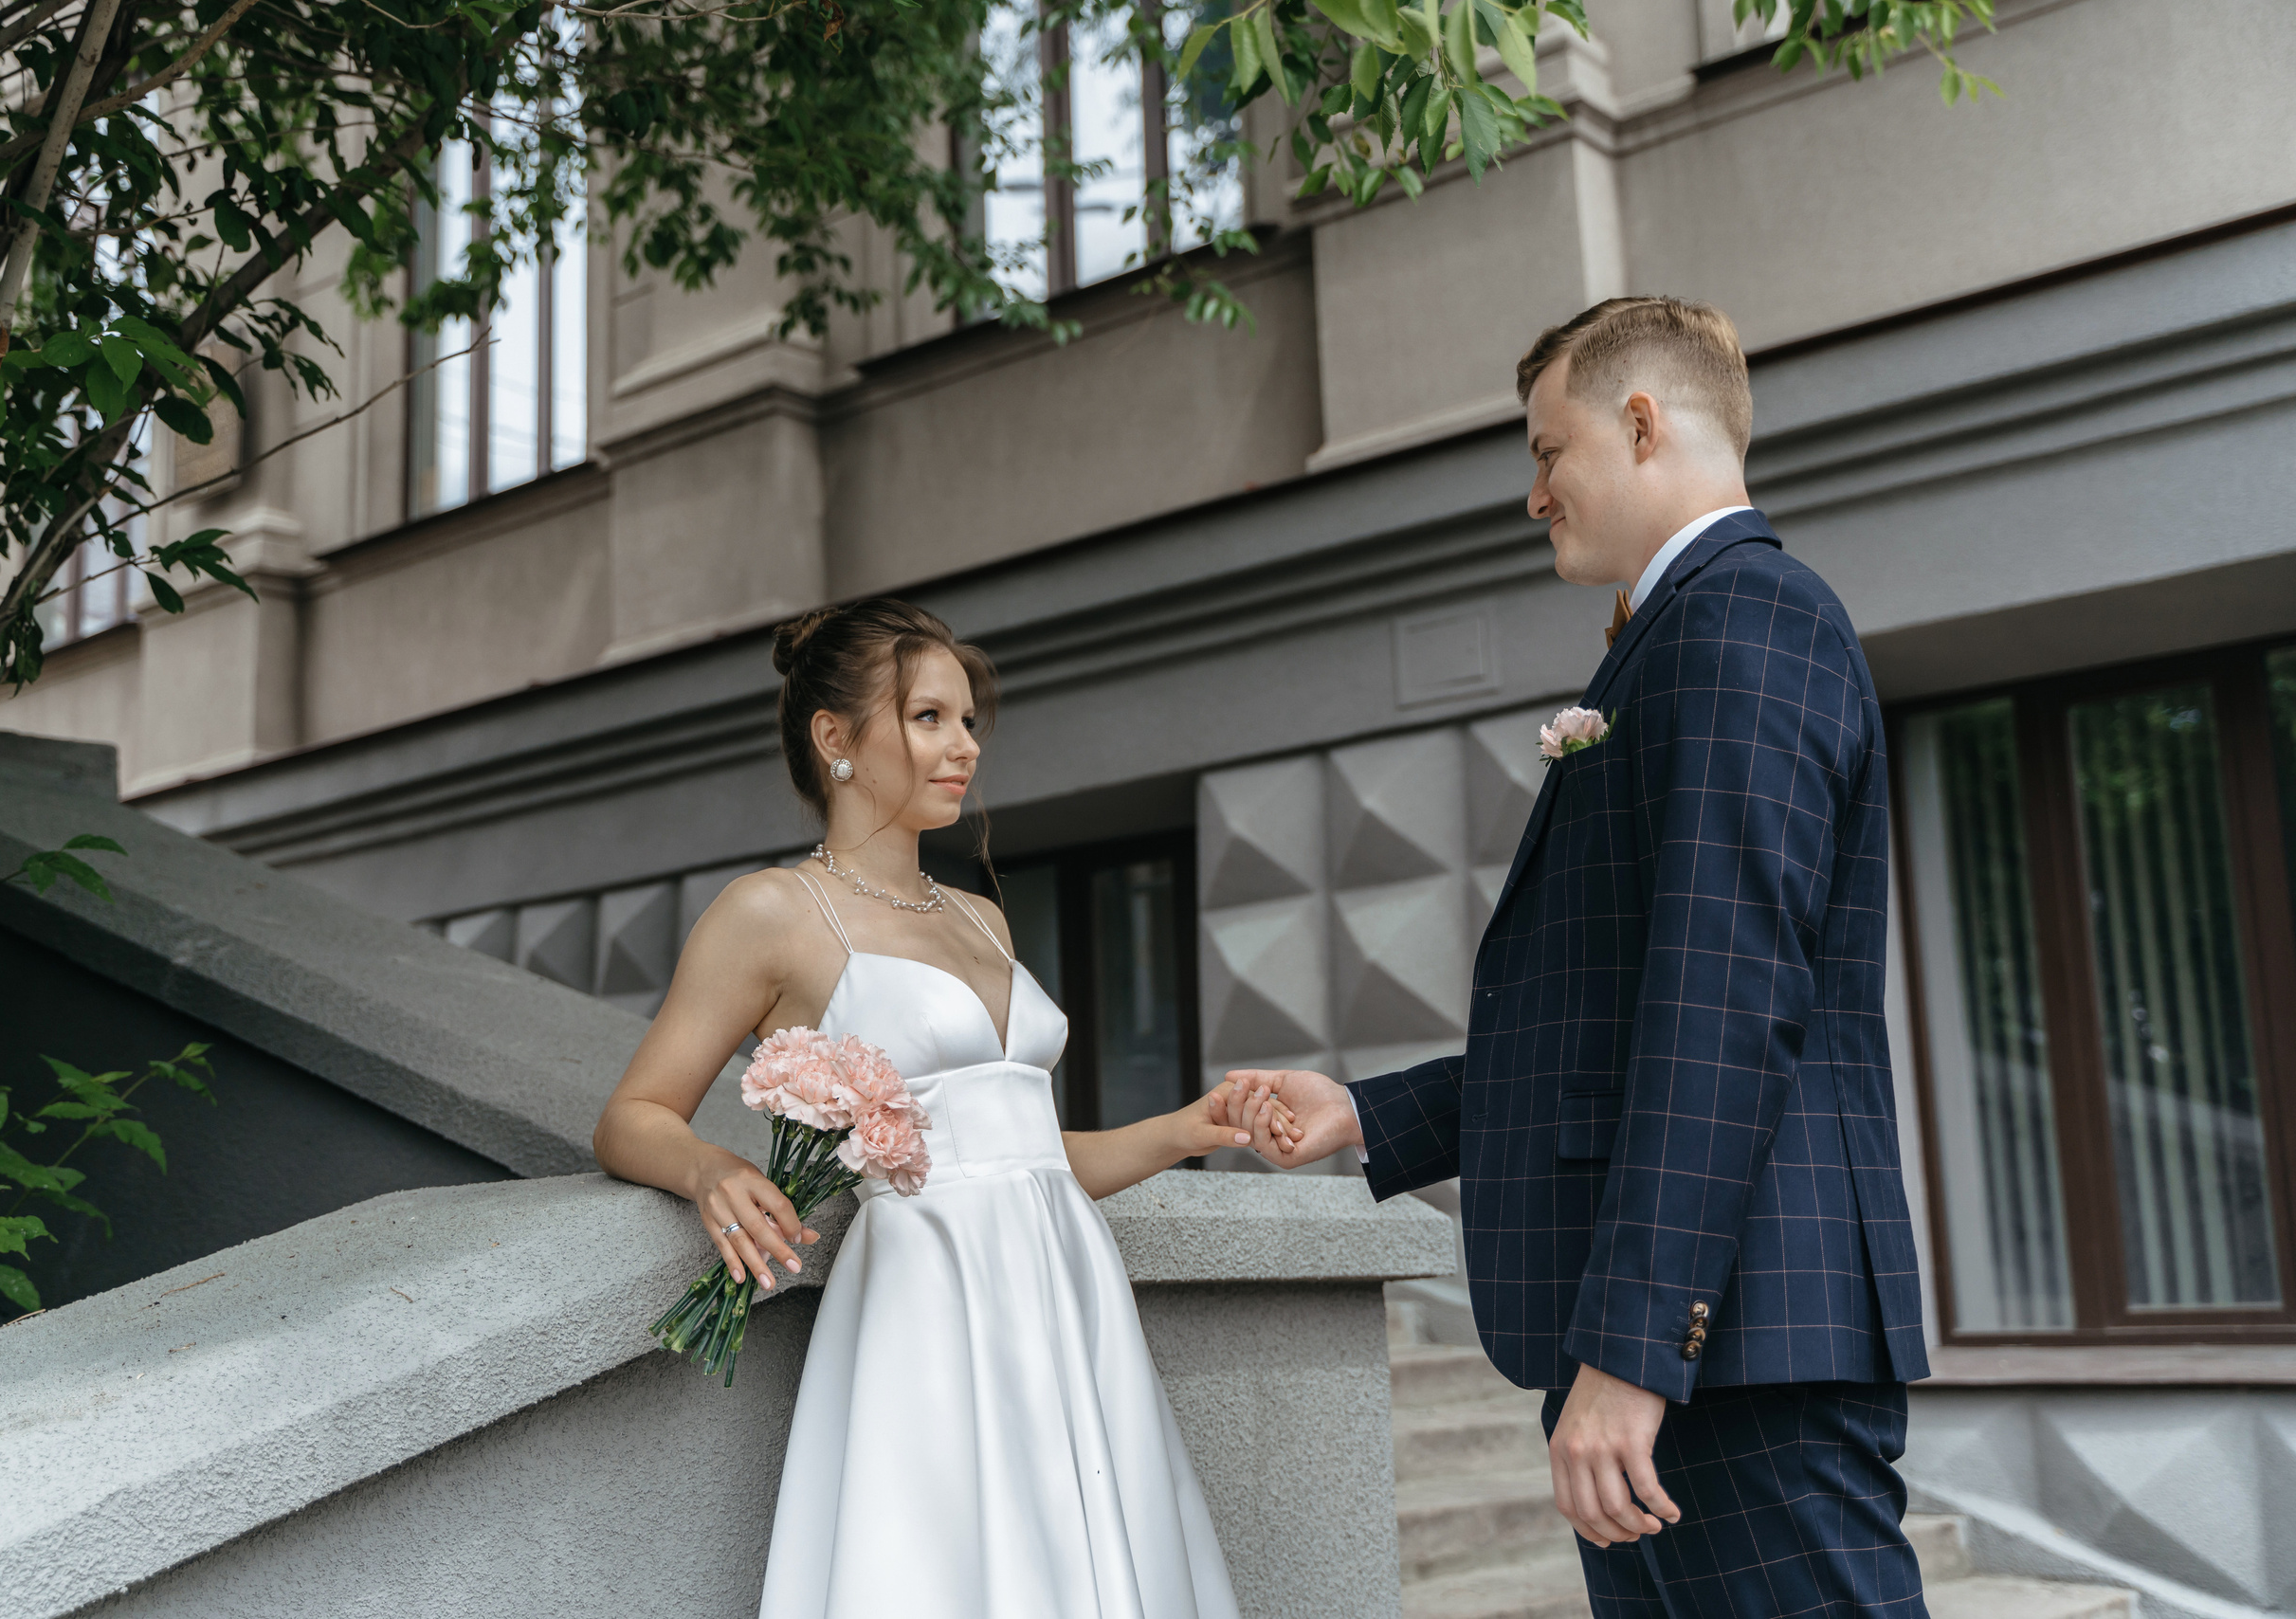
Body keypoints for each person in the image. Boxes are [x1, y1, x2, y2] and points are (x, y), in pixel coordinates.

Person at [1216, 298, 1934, 1616]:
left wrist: (1637, 1350)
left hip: (1731, 1348)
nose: (1534, 492)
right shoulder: (1681, 635)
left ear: (1642, 423)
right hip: (1694, 1350)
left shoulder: (1745, 621)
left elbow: (1724, 1004)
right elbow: (1616, 1023)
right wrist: (1371, 1116)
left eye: (1549, 451)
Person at [594, 599, 1259, 1619]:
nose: (965, 748)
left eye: (969, 721)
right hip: (927, 1301)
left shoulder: (981, 915)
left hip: (1068, 1292)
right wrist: (711, 1169)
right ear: (836, 740)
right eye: (929, 718)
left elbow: (1026, 1159)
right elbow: (633, 1112)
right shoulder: (772, 912)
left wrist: (1188, 1128)